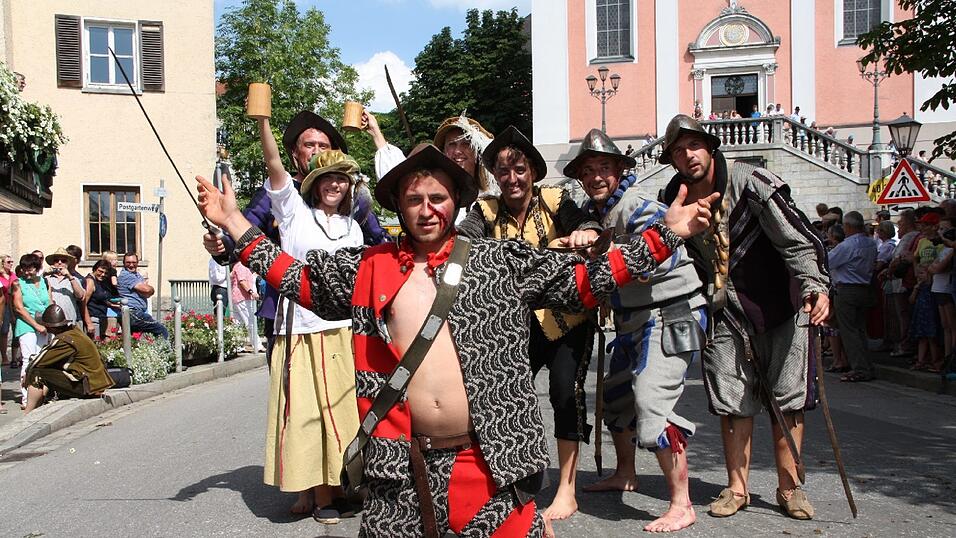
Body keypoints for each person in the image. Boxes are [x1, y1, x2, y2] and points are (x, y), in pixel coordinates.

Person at [196, 143, 718, 537]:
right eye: (414, 199)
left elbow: (589, 279)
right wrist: (234, 222)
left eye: (438, 198)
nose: (427, 209)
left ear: (454, 203)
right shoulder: (368, 268)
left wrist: (666, 234)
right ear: (398, 205)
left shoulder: (497, 262)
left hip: (491, 462)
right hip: (398, 467)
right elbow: (295, 278)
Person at [657, 114, 830, 520]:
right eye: (679, 150)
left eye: (694, 145)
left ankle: (790, 488)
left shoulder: (752, 182)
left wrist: (815, 283)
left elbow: (798, 239)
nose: (688, 155)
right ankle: (737, 488)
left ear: (710, 145)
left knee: (787, 399)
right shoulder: (673, 199)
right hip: (723, 313)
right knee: (732, 401)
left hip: (780, 308)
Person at [456, 126, 601, 525]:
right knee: (498, 393)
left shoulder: (556, 200)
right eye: (504, 172)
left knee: (564, 392)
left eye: (519, 169)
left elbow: (585, 224)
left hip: (567, 318)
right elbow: (463, 243)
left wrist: (585, 233)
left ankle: (567, 490)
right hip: (516, 326)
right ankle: (502, 476)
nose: (512, 179)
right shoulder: (484, 211)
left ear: (532, 172)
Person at [566, 128, 705, 532]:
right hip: (634, 320)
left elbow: (662, 255)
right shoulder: (604, 213)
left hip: (670, 313)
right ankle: (626, 472)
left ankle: (682, 503)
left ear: (620, 170)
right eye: (588, 170)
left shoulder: (637, 205)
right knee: (616, 399)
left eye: (603, 168)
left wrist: (606, 254)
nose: (595, 177)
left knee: (651, 404)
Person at [258, 112, 365, 523]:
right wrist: (265, 123)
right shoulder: (294, 214)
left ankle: (343, 485)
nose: (334, 183)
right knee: (308, 415)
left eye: (341, 177)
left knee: (343, 414)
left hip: (341, 332)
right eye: (326, 178)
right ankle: (321, 496)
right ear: (314, 184)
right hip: (300, 332)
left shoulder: (353, 229)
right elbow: (274, 166)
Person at [22, 304, 114, 414]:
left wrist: (27, 374)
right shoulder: (75, 332)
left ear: (50, 327)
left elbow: (39, 361)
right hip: (94, 383)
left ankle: (28, 413)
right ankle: (43, 405)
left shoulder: (64, 340)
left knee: (36, 374)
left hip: (88, 386)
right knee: (47, 370)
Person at [827, 212, 878, 382]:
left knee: (849, 331)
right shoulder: (870, 243)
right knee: (860, 330)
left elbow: (828, 262)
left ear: (848, 226)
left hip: (847, 289)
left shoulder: (847, 245)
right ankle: (866, 365)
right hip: (864, 287)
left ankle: (860, 368)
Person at [11, 253, 52, 407]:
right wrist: (36, 326)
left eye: (31, 269)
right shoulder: (17, 283)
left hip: (43, 325)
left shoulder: (45, 282)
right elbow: (19, 308)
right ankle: (26, 397)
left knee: (41, 358)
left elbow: (49, 302)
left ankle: (40, 393)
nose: (27, 272)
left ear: (37, 268)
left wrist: (49, 324)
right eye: (25, 269)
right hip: (27, 325)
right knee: (28, 358)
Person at [117, 253, 168, 339]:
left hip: (136, 313)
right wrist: (149, 289)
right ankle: (166, 351)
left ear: (137, 263)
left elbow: (147, 294)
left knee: (134, 341)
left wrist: (145, 290)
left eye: (134, 262)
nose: (131, 265)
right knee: (161, 331)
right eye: (128, 262)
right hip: (133, 313)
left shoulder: (136, 275)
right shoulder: (126, 276)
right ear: (123, 263)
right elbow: (147, 290)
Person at [45, 248, 87, 324]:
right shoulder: (46, 279)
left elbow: (80, 296)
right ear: (53, 263)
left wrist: (69, 277)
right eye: (56, 260)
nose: (60, 263)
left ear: (68, 263)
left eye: (63, 261)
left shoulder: (74, 279)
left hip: (69, 321)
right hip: (51, 322)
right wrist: (44, 274)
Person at [83, 260, 120, 339]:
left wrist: (112, 305)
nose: (103, 275)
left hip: (100, 318)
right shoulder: (90, 281)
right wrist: (89, 323)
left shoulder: (99, 281)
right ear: (95, 269)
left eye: (105, 273)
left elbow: (98, 299)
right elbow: (83, 303)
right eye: (100, 271)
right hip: (93, 319)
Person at [230, 261, 260, 351]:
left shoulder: (238, 266)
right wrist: (251, 292)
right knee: (250, 321)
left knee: (238, 322)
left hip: (237, 297)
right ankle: (257, 344)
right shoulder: (241, 266)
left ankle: (237, 345)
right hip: (242, 297)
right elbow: (242, 281)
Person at [0, 254, 16, 366]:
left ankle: (13, 356)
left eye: (12, 262)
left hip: (13, 304)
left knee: (13, 329)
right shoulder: (0, 277)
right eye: (8, 262)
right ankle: (4, 356)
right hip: (3, 304)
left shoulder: (12, 275)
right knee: (4, 331)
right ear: (2, 263)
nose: (11, 264)